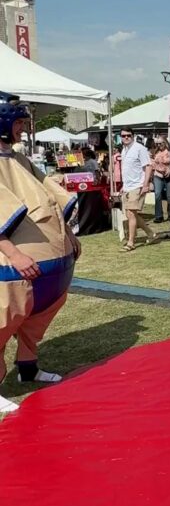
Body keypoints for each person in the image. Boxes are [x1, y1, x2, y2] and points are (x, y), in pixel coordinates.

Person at [0, 93, 81, 406]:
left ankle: (28, 369)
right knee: (4, 319)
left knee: (36, 319)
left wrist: (68, 236)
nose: (24, 127)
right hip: (13, 267)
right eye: (19, 121)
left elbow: (47, 193)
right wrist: (14, 253)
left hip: (47, 271)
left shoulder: (16, 157)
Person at [119, 128, 156, 251]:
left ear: (133, 136)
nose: (126, 138)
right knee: (130, 214)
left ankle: (131, 242)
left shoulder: (140, 148)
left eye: (128, 135)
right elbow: (127, 169)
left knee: (131, 213)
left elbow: (148, 167)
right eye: (123, 136)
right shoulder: (124, 150)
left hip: (138, 185)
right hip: (127, 186)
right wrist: (123, 186)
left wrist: (145, 185)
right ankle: (150, 233)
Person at [152, 138, 170, 223]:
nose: (159, 145)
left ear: (165, 143)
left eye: (160, 143)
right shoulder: (155, 152)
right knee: (157, 194)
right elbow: (152, 163)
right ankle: (159, 216)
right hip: (158, 175)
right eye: (157, 144)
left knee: (169, 196)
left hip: (168, 175)